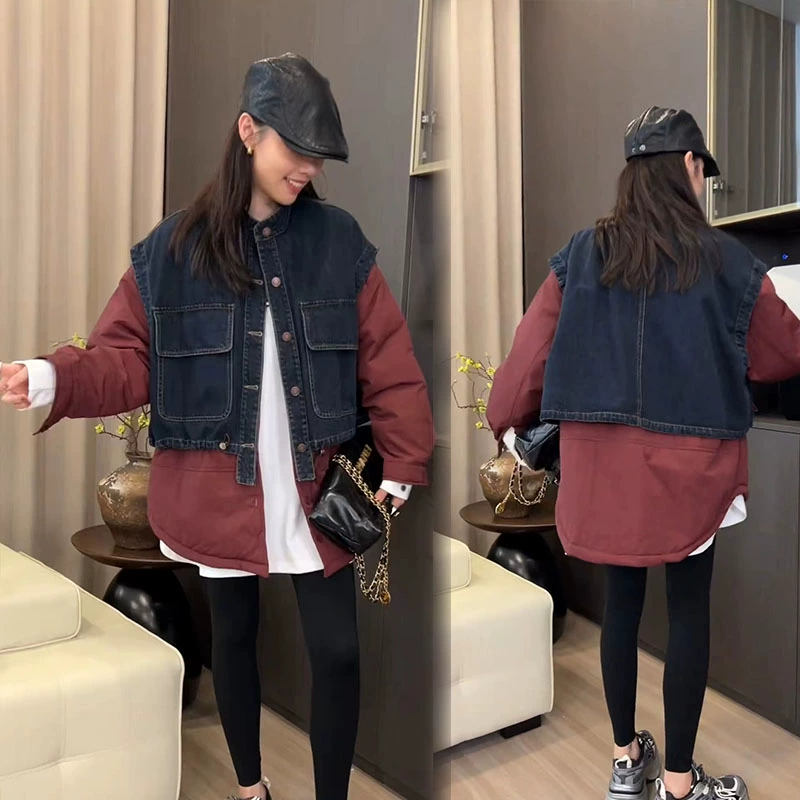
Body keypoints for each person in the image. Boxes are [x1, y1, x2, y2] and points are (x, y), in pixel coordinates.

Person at [0, 54, 434, 800]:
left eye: (318, 156)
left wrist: (402, 461)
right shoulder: (172, 251)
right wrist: (51, 377)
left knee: (338, 653)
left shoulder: (339, 243)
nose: (308, 169)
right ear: (248, 131)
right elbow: (125, 361)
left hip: (317, 487)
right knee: (232, 638)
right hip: (215, 488)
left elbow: (388, 361)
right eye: (296, 149)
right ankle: (250, 787)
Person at [486, 106, 800, 800]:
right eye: (703, 171)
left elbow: (524, 364)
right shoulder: (724, 260)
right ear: (689, 165)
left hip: (601, 473)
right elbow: (784, 351)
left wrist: (505, 425)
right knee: (688, 613)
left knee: (622, 608)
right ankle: (681, 785)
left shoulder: (580, 255)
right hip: (693, 474)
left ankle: (627, 762)